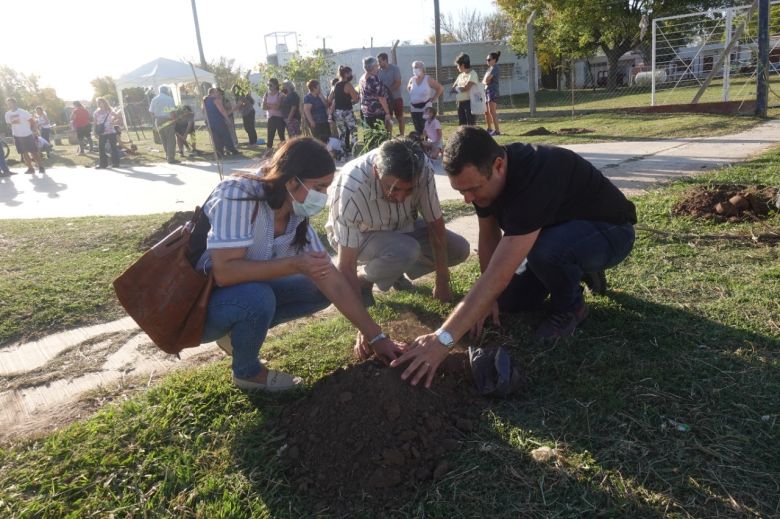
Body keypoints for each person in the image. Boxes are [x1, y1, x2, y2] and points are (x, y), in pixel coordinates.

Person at [391, 126, 638, 387]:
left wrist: (443, 339)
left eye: (472, 190)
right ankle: (574, 266)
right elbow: (488, 235)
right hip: (553, 234)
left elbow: (499, 274)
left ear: (498, 166)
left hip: (610, 232)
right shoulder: (480, 178)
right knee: (509, 298)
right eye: (461, 191)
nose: (467, 199)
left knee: (548, 252)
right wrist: (492, 299)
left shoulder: (536, 176)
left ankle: (571, 307)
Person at [196, 137, 405, 391]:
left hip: (242, 295)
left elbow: (332, 280)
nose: (323, 196)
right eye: (319, 186)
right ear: (292, 180)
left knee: (317, 287)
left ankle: (238, 334)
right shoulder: (238, 195)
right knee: (258, 296)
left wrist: (376, 335)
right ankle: (247, 373)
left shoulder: (294, 212)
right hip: (201, 306)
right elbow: (225, 273)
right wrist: (295, 264)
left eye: (327, 187)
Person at [326, 137, 470, 356]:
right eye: (392, 189)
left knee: (459, 248)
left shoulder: (422, 170)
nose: (401, 198)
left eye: (408, 190)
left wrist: (442, 279)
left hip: (402, 229)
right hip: (361, 238)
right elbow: (345, 265)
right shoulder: (352, 186)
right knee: (406, 249)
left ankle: (392, 272)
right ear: (376, 171)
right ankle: (365, 279)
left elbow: (435, 225)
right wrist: (367, 331)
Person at [4, 98, 44, 174]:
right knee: (24, 153)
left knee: (34, 152)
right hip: (17, 136)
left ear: (15, 103)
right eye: (8, 103)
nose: (9, 105)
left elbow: (33, 122)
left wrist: (34, 131)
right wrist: (14, 131)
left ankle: (40, 167)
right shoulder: (7, 114)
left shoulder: (23, 112)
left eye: (11, 103)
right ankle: (30, 168)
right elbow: (9, 124)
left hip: (27, 134)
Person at [328, 66, 359, 159]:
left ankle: (342, 153)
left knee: (342, 133)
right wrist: (354, 99)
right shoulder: (348, 85)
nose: (351, 75)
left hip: (337, 113)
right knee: (353, 131)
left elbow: (329, 99)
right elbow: (355, 99)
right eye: (350, 73)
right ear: (345, 74)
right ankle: (354, 152)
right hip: (347, 112)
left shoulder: (336, 85)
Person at [407, 61, 443, 134]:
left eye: (416, 67)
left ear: (422, 69)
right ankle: (420, 144)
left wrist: (434, 98)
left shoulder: (428, 79)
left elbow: (440, 88)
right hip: (414, 109)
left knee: (426, 129)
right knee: (418, 130)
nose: (414, 69)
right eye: (413, 67)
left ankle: (429, 143)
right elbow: (408, 88)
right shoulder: (412, 79)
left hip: (425, 109)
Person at [359, 56, 392, 133]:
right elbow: (381, 97)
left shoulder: (362, 77)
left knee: (370, 135)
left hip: (366, 111)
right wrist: (387, 112)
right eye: (377, 65)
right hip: (376, 113)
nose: (378, 67)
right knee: (378, 136)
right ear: (373, 67)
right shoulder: (374, 78)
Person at [203, 87, 239, 158]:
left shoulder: (205, 100)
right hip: (218, 120)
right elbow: (222, 110)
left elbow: (204, 111)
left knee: (216, 138)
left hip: (210, 122)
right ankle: (232, 150)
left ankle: (219, 152)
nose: (218, 93)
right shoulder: (216, 100)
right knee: (225, 135)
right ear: (212, 93)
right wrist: (228, 119)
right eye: (216, 92)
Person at [148, 86, 178, 164]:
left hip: (158, 120)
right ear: (166, 91)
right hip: (167, 119)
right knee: (170, 139)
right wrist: (174, 120)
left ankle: (168, 155)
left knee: (164, 139)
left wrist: (155, 118)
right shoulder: (169, 99)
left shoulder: (154, 99)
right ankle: (171, 158)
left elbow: (151, 112)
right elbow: (172, 112)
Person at [377, 53, 404, 136]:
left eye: (380, 61)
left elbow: (398, 83)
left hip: (396, 98)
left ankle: (402, 135)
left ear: (385, 60)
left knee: (400, 117)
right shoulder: (378, 71)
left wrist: (387, 91)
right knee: (389, 119)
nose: (379, 64)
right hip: (386, 100)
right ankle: (389, 137)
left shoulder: (395, 69)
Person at [450, 53, 479, 126]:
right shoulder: (460, 75)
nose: (457, 67)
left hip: (469, 103)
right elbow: (454, 87)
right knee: (462, 124)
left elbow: (466, 88)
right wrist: (459, 88)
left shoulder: (473, 74)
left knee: (470, 124)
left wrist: (459, 88)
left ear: (462, 65)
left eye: (458, 65)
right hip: (460, 103)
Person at [93, 97, 120, 169]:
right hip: (102, 132)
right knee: (101, 148)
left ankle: (116, 163)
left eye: (101, 102)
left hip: (111, 131)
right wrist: (94, 132)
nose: (100, 104)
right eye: (98, 103)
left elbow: (117, 116)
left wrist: (113, 122)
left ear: (105, 102)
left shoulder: (109, 110)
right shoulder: (96, 112)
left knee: (113, 147)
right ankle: (103, 164)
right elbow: (95, 123)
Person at [262, 78, 286, 152]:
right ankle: (268, 151)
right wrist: (273, 105)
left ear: (276, 86)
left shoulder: (281, 94)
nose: (269, 86)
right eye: (268, 85)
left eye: (271, 85)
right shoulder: (266, 94)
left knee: (281, 135)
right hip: (270, 117)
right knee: (270, 136)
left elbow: (277, 107)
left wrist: (268, 105)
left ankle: (285, 150)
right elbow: (263, 107)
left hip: (279, 118)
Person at [484, 51, 501, 136]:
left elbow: (487, 80)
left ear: (494, 60)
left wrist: (487, 80)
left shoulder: (495, 67)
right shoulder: (489, 68)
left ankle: (497, 131)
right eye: (486, 59)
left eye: (489, 59)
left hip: (493, 91)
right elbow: (485, 81)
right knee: (486, 111)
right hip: (487, 90)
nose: (487, 61)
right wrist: (487, 80)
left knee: (492, 111)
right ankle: (489, 129)